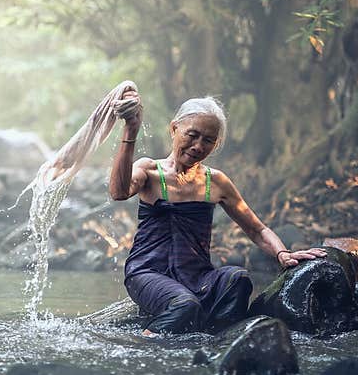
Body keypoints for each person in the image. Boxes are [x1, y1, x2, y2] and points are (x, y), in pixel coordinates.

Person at [109, 93, 325, 335]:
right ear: (174, 129)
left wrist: (283, 254)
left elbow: (257, 229)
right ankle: (144, 342)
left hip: (197, 276)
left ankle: (218, 341)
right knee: (184, 306)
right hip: (147, 272)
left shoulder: (216, 181)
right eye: (192, 135)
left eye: (208, 140)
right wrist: (131, 131)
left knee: (239, 280)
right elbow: (119, 191)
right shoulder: (149, 170)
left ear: (216, 144)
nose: (199, 146)